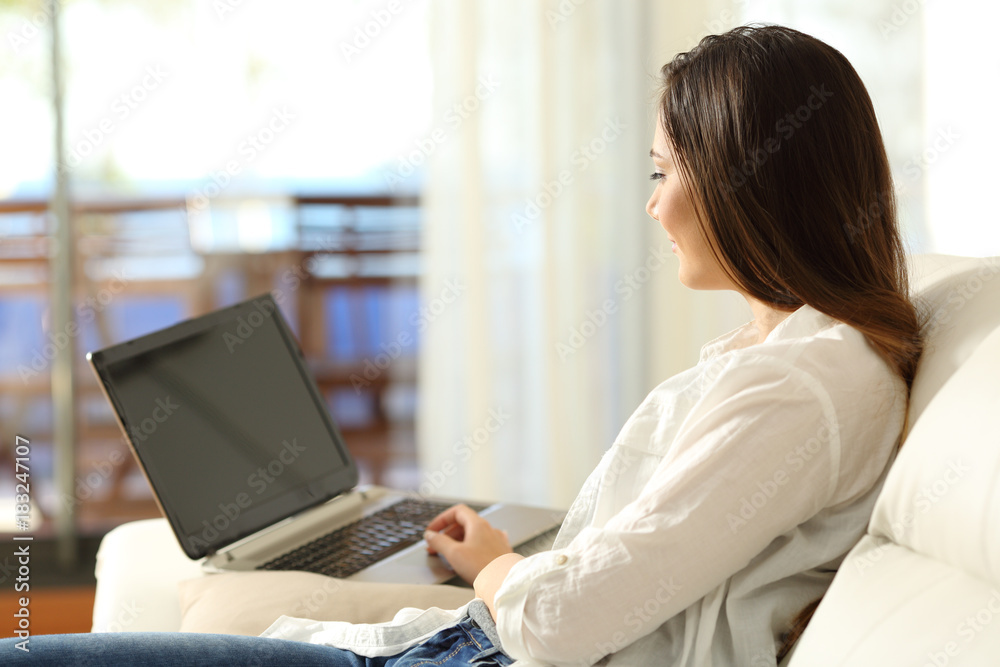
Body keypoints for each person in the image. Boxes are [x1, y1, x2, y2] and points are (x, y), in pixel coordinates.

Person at [2, 24, 922, 666]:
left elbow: (567, 618)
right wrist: (497, 561)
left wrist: (500, 570)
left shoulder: (806, 384)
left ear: (747, 181)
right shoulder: (787, 355)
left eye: (663, 171)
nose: (653, 204)